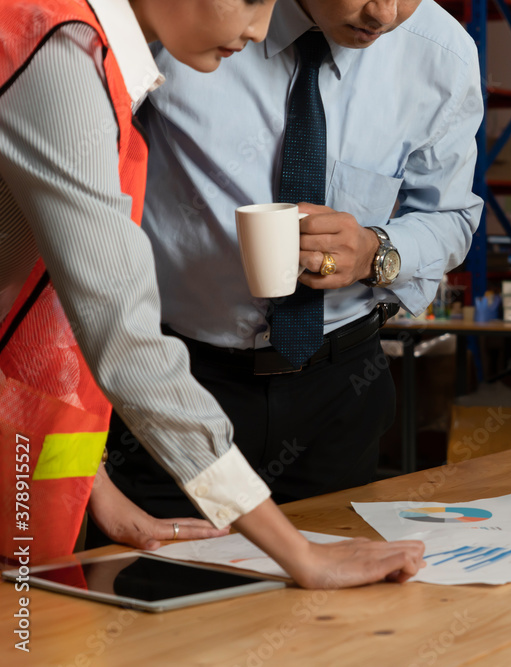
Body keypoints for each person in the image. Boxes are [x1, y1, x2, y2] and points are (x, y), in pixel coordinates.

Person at [0, 0, 424, 588]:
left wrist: (97, 491)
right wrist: (299, 555)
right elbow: (123, 338)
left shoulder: (74, 49)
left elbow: (51, 328)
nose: (258, 28)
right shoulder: (63, 58)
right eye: (249, 0)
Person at [95, 0, 483, 530]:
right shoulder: (186, 21)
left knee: (333, 603)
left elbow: (452, 217)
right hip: (177, 379)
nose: (385, 14)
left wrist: (377, 251)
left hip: (342, 388)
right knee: (160, 590)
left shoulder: (442, 54)